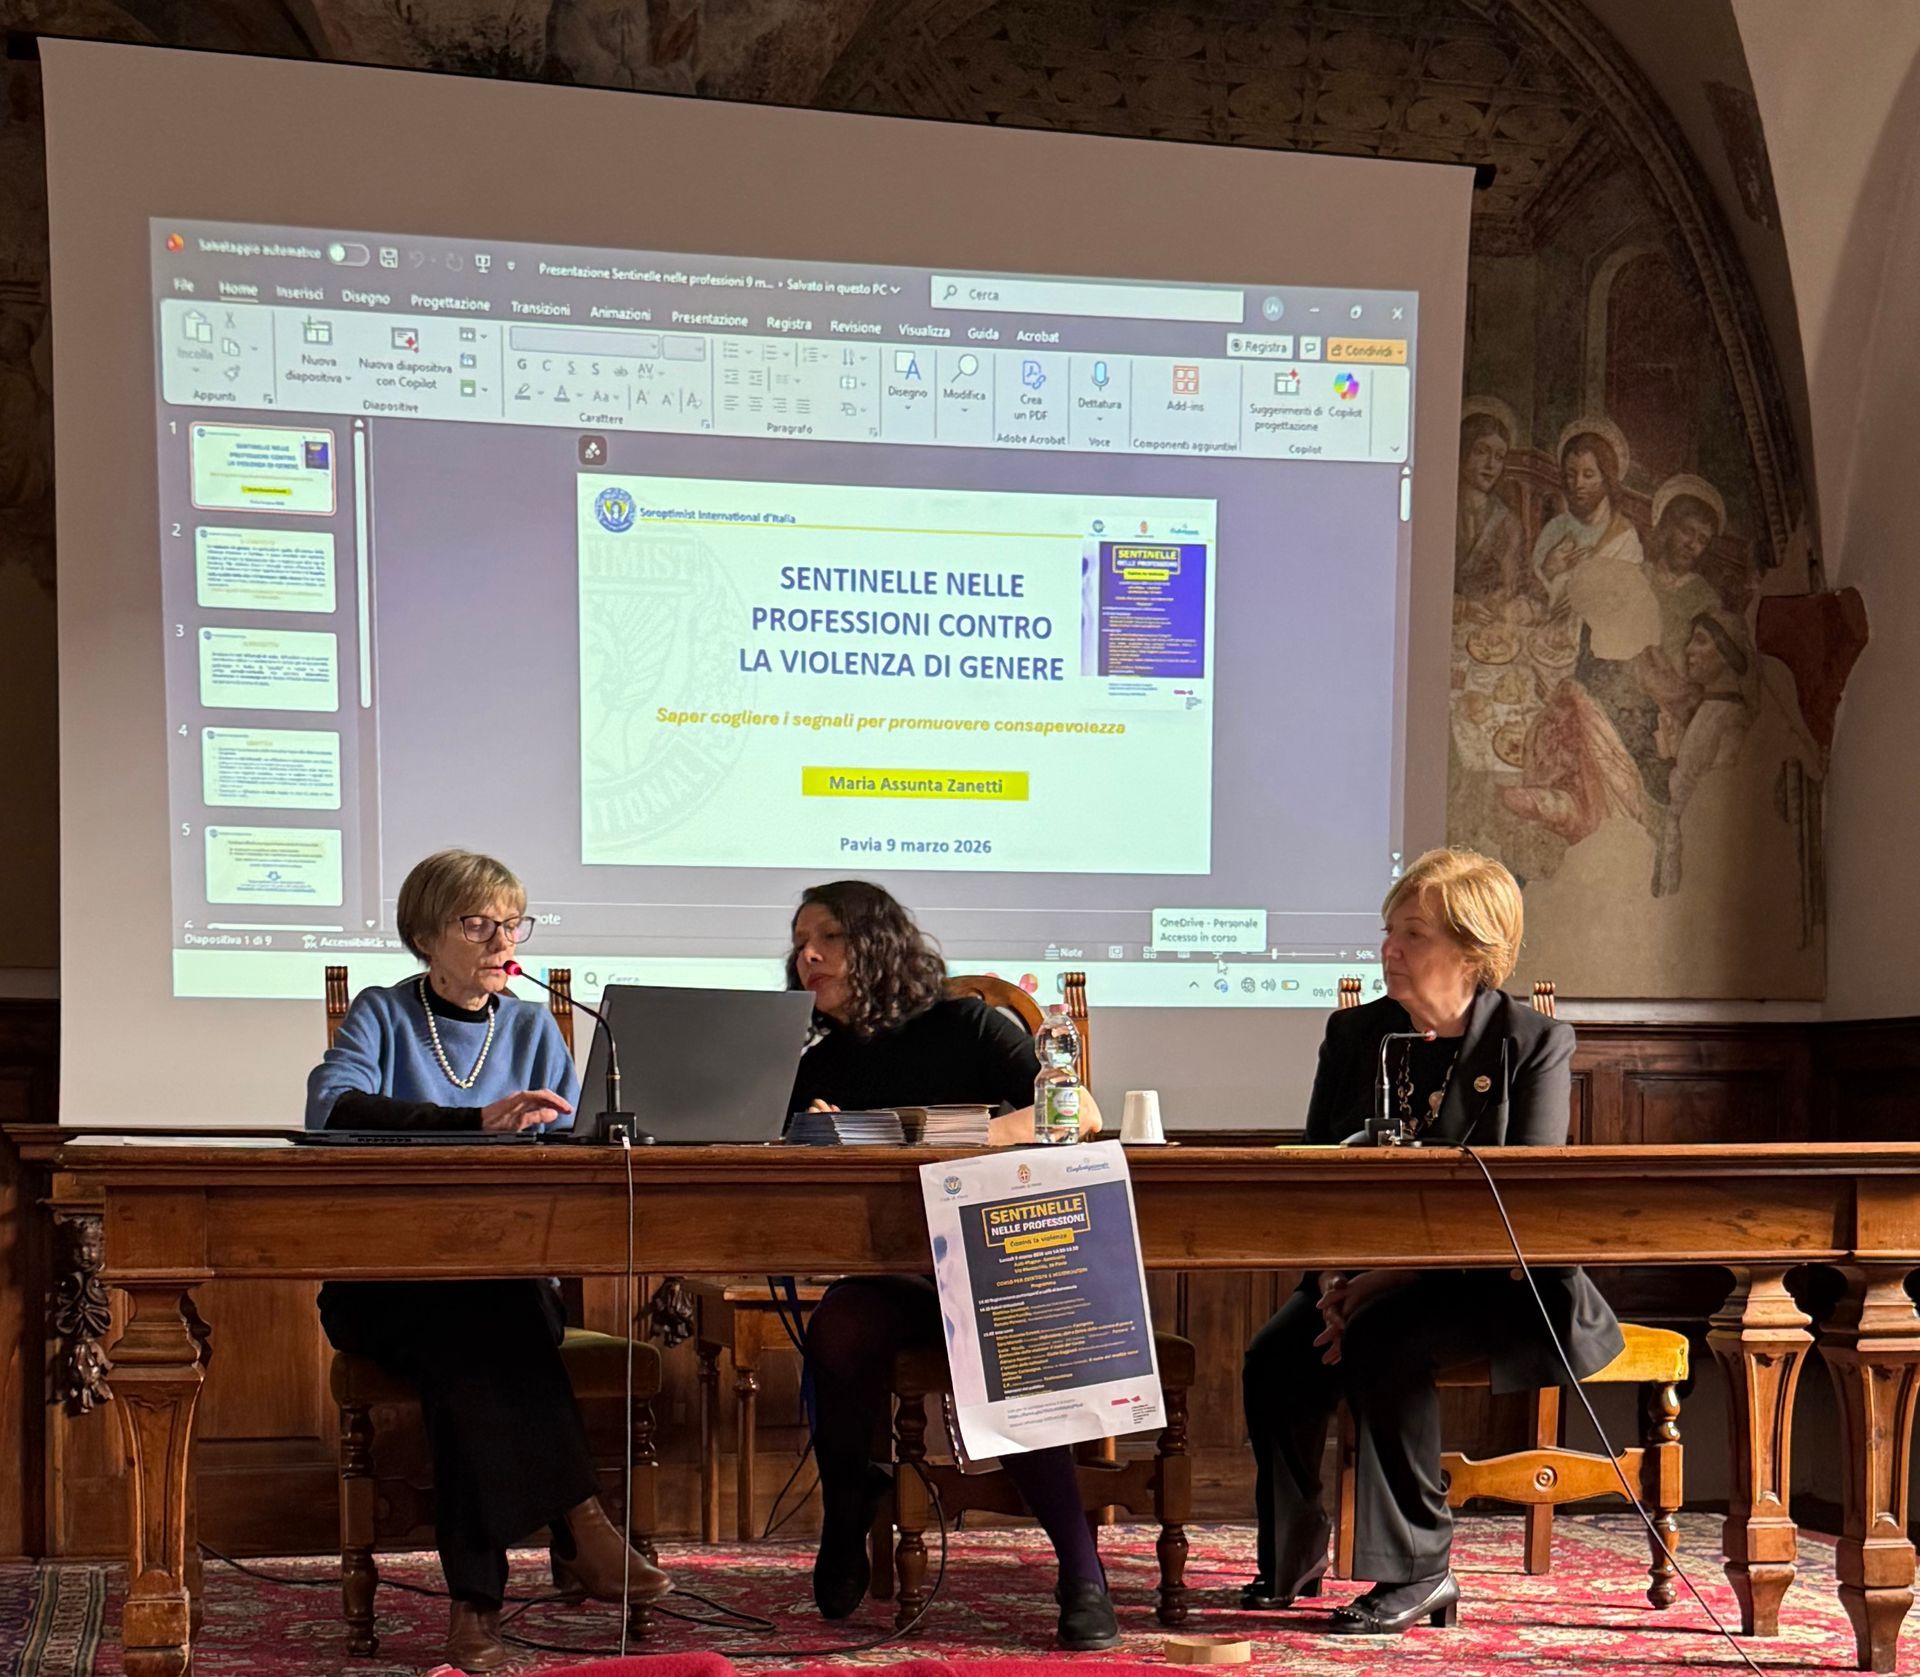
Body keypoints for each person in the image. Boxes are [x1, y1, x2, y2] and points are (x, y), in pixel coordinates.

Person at [1240, 848, 1622, 1636]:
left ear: (1473, 949)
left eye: (1413, 933)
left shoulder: (1532, 1042)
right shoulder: (1355, 1033)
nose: (1390, 948)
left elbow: (1518, 1207)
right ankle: (1293, 1553)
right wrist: (1334, 1281)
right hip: (1358, 1271)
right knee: (1275, 1355)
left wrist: (1376, 1284)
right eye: (1389, 930)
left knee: (1384, 1336)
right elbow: (1316, 1170)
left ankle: (1420, 1568)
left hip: (1495, 1282)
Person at [306, 848, 671, 1672]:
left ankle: (478, 1607)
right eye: (478, 923)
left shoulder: (535, 1027)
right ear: (425, 935)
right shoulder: (382, 1013)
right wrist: (474, 1124)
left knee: (468, 1350)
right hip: (386, 1283)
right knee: (477, 1325)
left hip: (502, 1279)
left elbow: (574, 1155)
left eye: (512, 923)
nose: (502, 940)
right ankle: (579, 1522)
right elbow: (332, 1107)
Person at [785, 880, 1113, 1649]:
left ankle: (1082, 1570)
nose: (808, 956)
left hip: (1000, 1269)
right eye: (799, 942)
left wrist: (962, 1140)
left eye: (827, 938)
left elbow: (1081, 1111)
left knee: (999, 1327)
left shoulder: (965, 1024)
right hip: (894, 1277)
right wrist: (812, 1135)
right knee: (837, 1325)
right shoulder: (819, 1061)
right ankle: (846, 1508)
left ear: (876, 944)